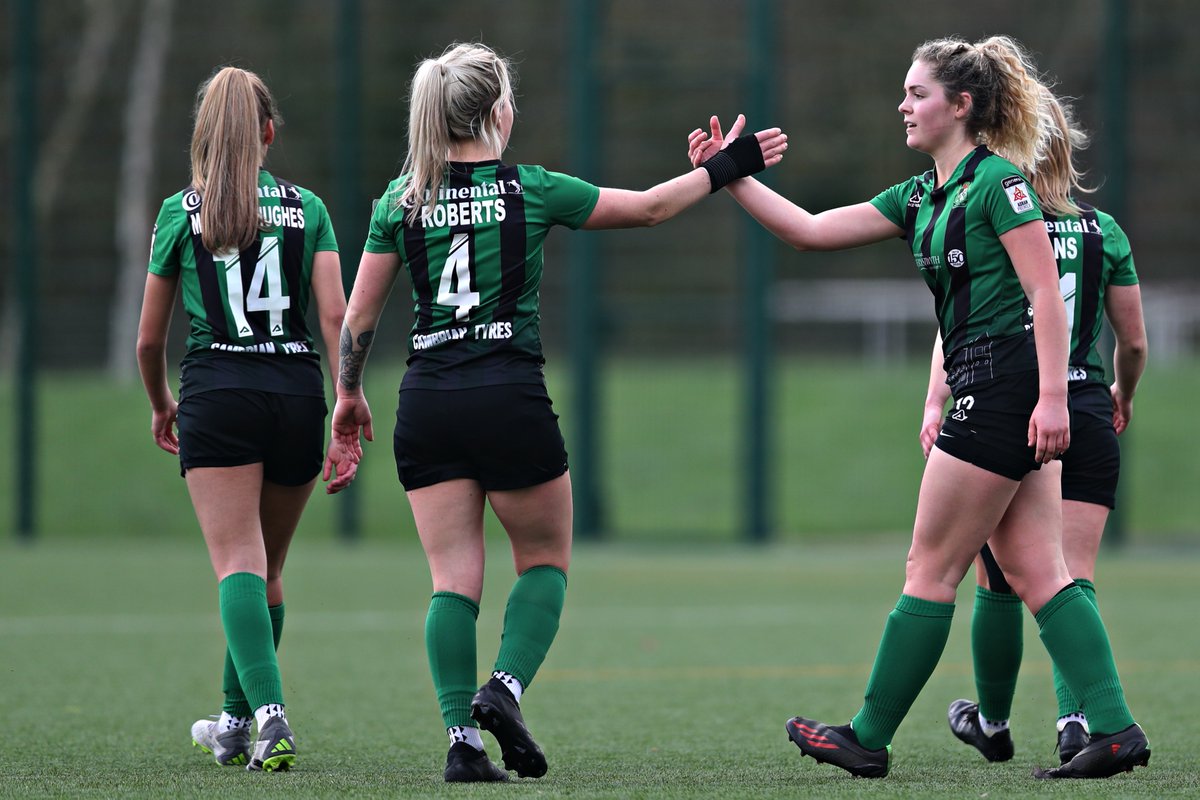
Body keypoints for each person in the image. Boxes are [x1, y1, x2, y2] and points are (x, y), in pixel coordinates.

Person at [321, 41, 786, 783]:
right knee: (543, 562)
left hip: (428, 400)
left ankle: (460, 743)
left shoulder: (399, 200)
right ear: (497, 110)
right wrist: (728, 165)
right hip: (508, 395)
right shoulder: (529, 187)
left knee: (451, 581)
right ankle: (502, 689)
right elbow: (650, 210)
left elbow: (358, 319)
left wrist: (347, 396)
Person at [688, 35, 1150, 780]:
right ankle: (1116, 728)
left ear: (961, 106)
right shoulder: (921, 194)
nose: (903, 105)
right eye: (904, 93)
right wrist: (728, 174)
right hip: (993, 386)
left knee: (929, 567)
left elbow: (1044, 296)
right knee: (1040, 573)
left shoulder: (1000, 183)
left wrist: (1056, 399)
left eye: (918, 94)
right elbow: (809, 231)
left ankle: (866, 736)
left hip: (1001, 386)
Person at [922, 89, 1148, 765]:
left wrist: (936, 400)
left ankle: (992, 721)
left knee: (996, 574)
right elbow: (1133, 342)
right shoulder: (1102, 230)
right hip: (1083, 403)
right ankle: (1076, 722)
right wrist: (1122, 393)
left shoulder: (989, 216)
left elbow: (960, 326)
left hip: (1010, 406)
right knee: (1069, 575)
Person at [136, 66, 345, 773]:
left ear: (205, 135)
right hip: (295, 391)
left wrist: (163, 403)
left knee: (237, 564)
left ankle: (270, 715)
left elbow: (146, 339)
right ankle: (232, 718)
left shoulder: (178, 211)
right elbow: (337, 318)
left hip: (218, 389)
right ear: (267, 131)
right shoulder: (307, 206)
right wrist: (348, 395)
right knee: (268, 568)